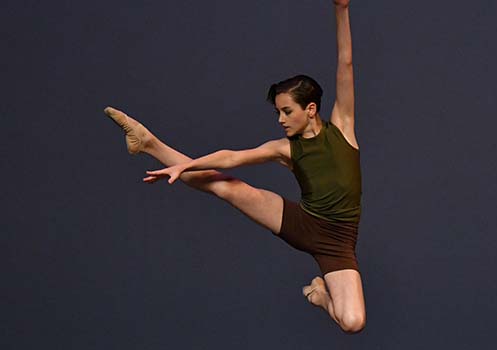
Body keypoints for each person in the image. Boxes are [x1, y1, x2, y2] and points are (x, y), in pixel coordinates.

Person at [105, 0, 365, 333]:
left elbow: (346, 62)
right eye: (278, 113)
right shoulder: (285, 149)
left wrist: (341, 9)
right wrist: (182, 167)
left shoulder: (342, 127)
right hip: (303, 222)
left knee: (353, 322)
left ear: (311, 109)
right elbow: (231, 157)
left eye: (287, 111)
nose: (281, 119)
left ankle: (320, 296)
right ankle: (149, 143)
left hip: (339, 242)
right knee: (226, 186)